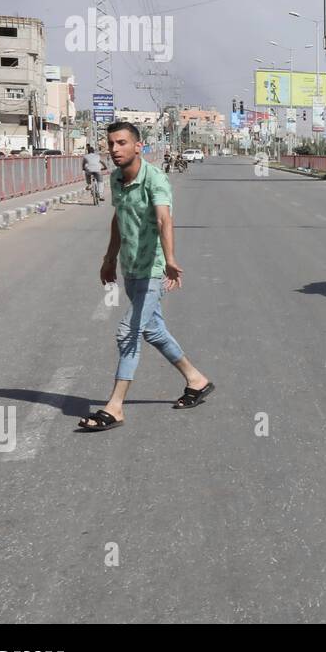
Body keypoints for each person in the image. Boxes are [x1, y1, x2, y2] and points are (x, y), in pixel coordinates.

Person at [79, 121, 214, 432]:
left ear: (138, 146)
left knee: (128, 332)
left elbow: (164, 219)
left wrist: (169, 260)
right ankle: (196, 379)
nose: (114, 149)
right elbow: (118, 217)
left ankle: (115, 407)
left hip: (153, 270)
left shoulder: (155, 179)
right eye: (111, 143)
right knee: (152, 329)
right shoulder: (114, 178)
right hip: (131, 268)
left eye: (122, 143)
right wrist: (109, 259)